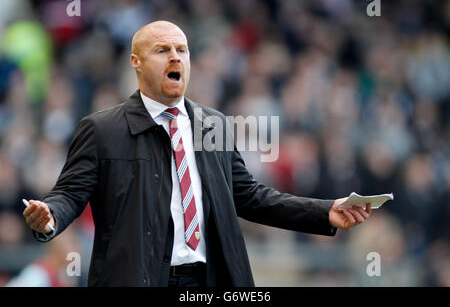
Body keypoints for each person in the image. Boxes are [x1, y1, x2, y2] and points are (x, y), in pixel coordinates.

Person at [23, 20, 371, 287]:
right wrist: (49, 216)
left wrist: (326, 211)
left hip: (209, 280)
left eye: (182, 50)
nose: (175, 57)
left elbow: (249, 197)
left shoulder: (213, 124)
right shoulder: (102, 129)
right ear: (136, 62)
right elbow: (69, 194)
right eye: (162, 50)